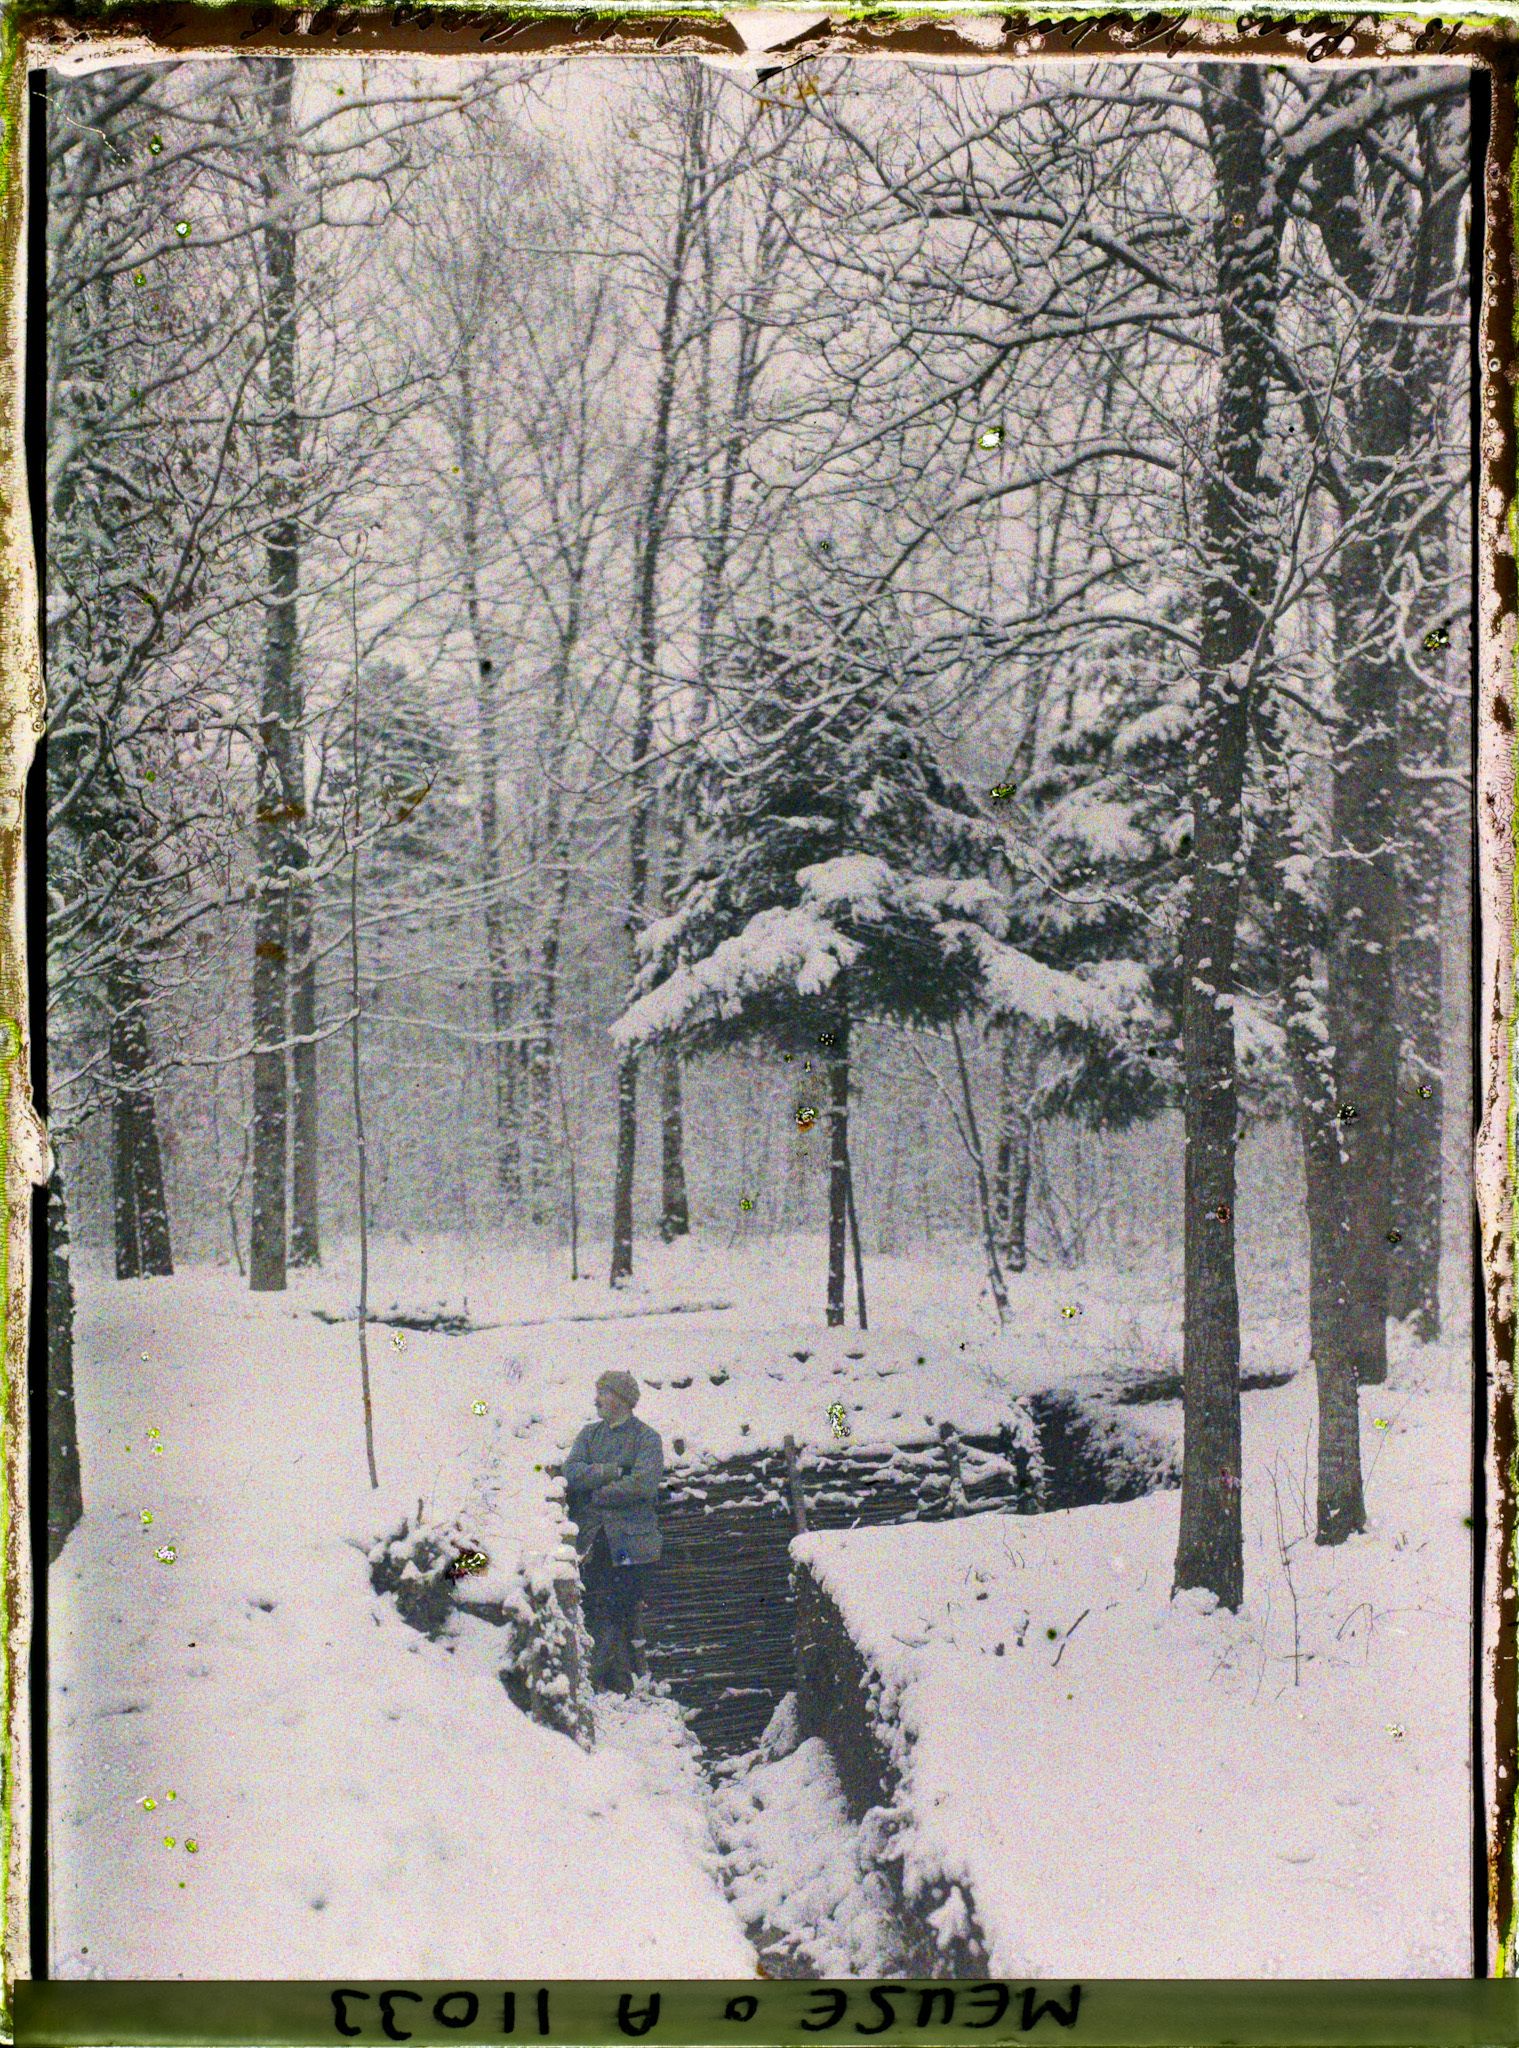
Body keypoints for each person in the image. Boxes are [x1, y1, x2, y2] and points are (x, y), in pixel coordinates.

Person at [563, 1370, 663, 1695]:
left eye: (602, 1393)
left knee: (622, 1606)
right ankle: (612, 1682)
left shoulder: (647, 1439)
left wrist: (600, 1494)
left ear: (620, 1399)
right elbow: (573, 1472)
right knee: (596, 1604)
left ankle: (614, 1682)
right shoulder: (590, 1435)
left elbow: (643, 1483)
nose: (597, 1400)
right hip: (595, 1542)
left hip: (630, 1544)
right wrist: (612, 1471)